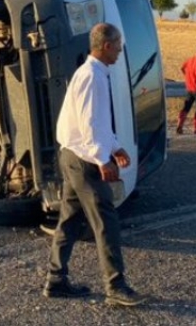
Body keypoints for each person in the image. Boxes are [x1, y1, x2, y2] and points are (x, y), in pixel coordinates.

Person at [44, 22, 147, 307]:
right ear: (106, 46)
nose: (120, 49)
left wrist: (114, 146)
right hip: (84, 159)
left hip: (75, 156)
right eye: (118, 44)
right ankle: (115, 286)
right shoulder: (91, 75)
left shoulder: (93, 73)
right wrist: (103, 159)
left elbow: (97, 122)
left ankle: (56, 280)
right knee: (106, 221)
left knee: (70, 218)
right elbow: (89, 124)